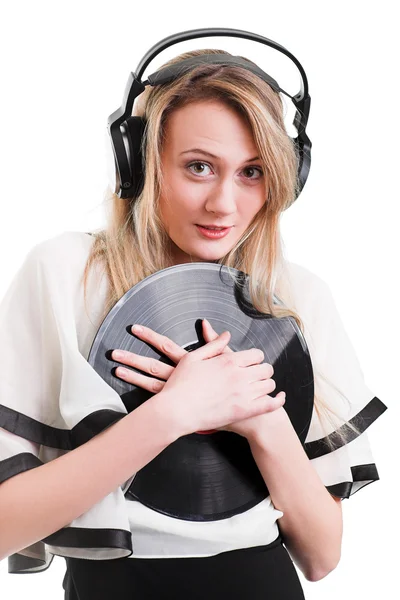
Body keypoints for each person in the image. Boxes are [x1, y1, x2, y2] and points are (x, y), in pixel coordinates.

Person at [0, 46, 388, 600]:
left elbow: (323, 556)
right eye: (199, 166)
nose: (223, 204)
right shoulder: (64, 274)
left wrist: (262, 420)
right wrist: (174, 413)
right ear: (139, 162)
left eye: (252, 172)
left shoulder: (298, 295)